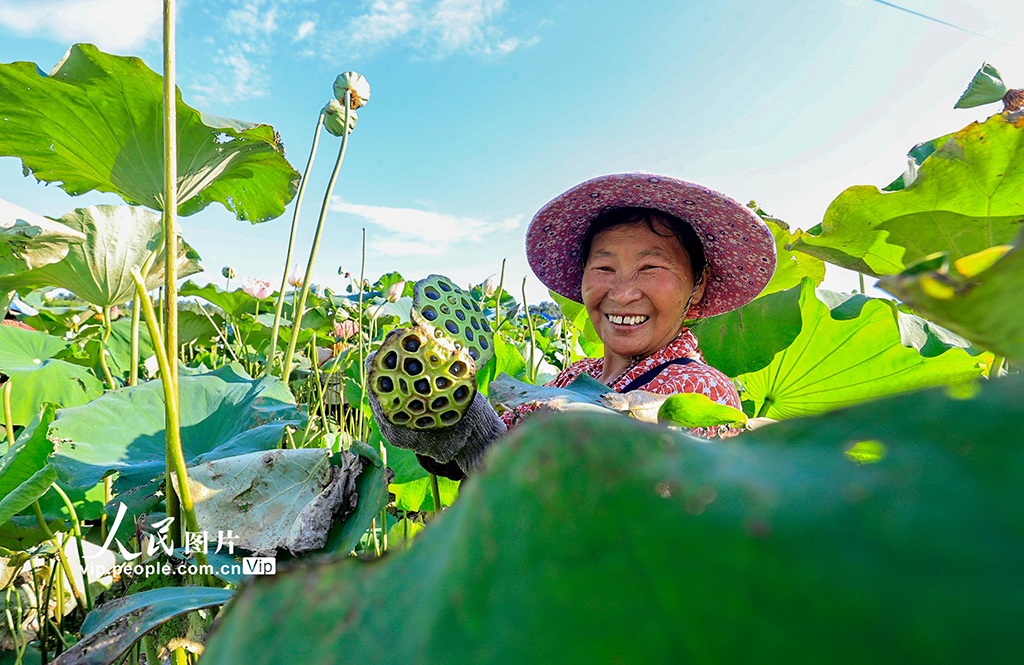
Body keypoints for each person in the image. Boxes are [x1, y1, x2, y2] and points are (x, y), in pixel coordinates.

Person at [369, 173, 777, 480]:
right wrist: (446, 417)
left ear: (698, 283)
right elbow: (499, 454)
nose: (622, 293)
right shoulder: (575, 376)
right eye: (604, 267)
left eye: (650, 268)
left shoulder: (702, 391)